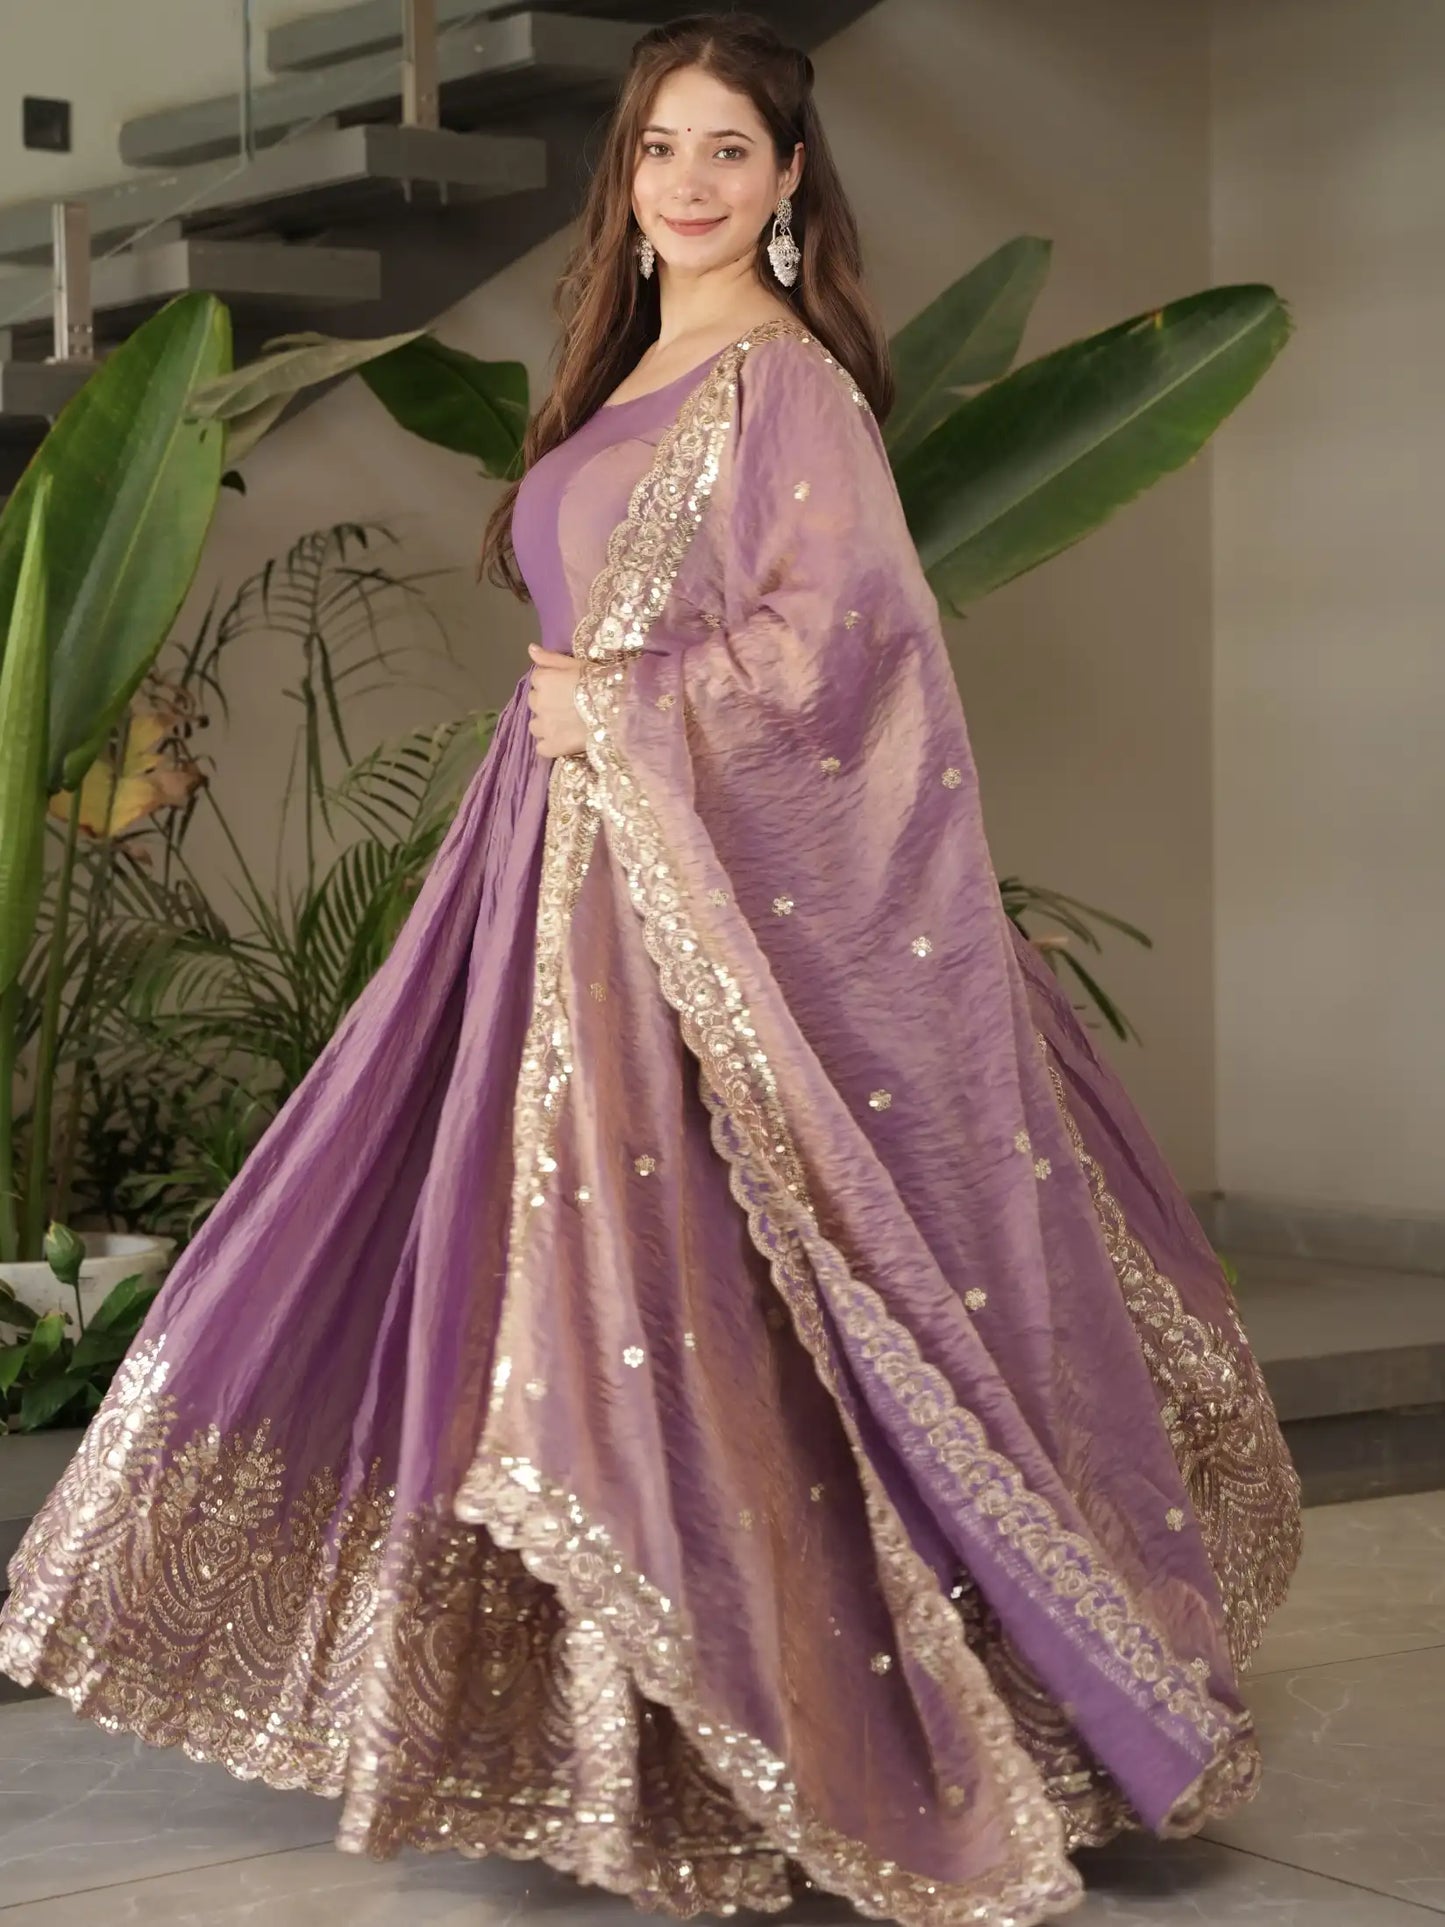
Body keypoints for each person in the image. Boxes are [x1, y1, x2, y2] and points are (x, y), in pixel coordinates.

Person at [0, 14, 1301, 1925]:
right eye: (658, 150)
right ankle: (595, 1724)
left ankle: (787, 1718)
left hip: (683, 902)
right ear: (625, 178)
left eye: (728, 155)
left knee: (694, 1297)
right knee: (550, 1291)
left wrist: (621, 700)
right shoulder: (626, 370)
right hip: (556, 879)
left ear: (787, 189)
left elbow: (853, 661)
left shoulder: (789, 390)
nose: (685, 184)